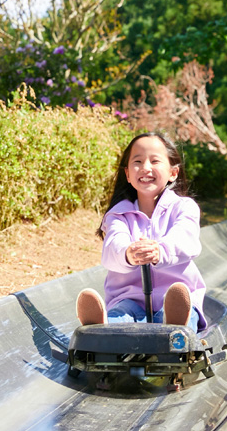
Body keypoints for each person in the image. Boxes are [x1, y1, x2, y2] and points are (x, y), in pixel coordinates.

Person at [76, 132, 206, 331]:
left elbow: (185, 238)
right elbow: (114, 245)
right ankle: (103, 329)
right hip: (129, 299)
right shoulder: (118, 215)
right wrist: (128, 253)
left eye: (155, 161)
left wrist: (159, 250)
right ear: (127, 174)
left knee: (175, 311)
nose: (145, 167)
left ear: (173, 172)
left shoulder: (184, 207)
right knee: (121, 314)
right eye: (137, 161)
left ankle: (174, 326)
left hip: (174, 297)